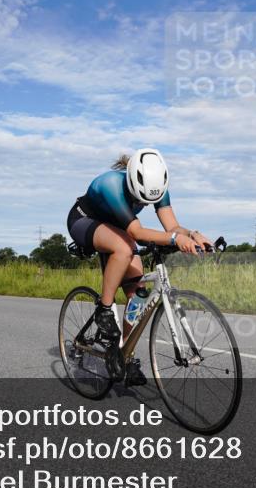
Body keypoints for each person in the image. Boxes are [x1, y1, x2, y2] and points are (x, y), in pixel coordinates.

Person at [67, 148, 213, 384]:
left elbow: (172, 228)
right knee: (124, 248)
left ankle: (125, 356)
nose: (144, 203)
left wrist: (193, 235)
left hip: (118, 227)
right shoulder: (111, 185)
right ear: (132, 182)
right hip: (85, 220)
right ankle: (104, 310)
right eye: (140, 199)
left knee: (138, 295)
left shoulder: (157, 187)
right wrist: (175, 240)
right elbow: (137, 233)